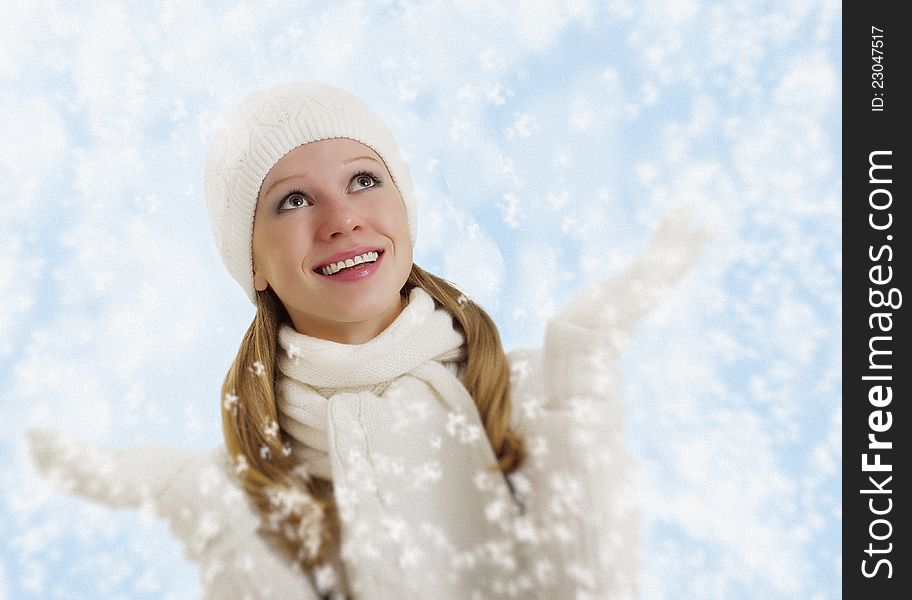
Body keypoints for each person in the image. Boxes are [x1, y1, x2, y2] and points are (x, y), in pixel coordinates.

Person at [27, 81, 710, 599]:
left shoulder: (526, 395)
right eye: (293, 200)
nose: (342, 218)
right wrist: (204, 508)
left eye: (363, 179)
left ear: (404, 211)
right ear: (253, 262)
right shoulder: (254, 481)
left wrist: (582, 384)